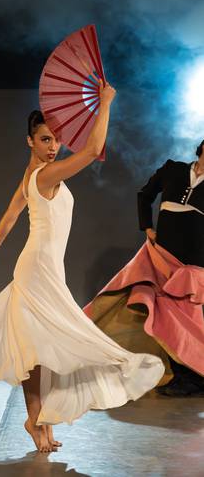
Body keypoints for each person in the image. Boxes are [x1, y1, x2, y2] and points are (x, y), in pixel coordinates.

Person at [0, 80, 164, 453]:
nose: (54, 147)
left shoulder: (30, 176)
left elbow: (12, 211)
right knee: (37, 349)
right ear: (30, 141)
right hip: (37, 270)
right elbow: (95, 149)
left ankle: (39, 420)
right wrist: (105, 102)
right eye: (46, 140)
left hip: (45, 268)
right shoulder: (46, 175)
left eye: (57, 139)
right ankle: (36, 421)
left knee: (41, 350)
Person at [85, 142, 204, 397]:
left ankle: (193, 377)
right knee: (162, 314)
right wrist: (147, 227)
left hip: (193, 263)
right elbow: (145, 195)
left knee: (188, 320)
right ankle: (180, 375)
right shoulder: (173, 169)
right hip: (161, 256)